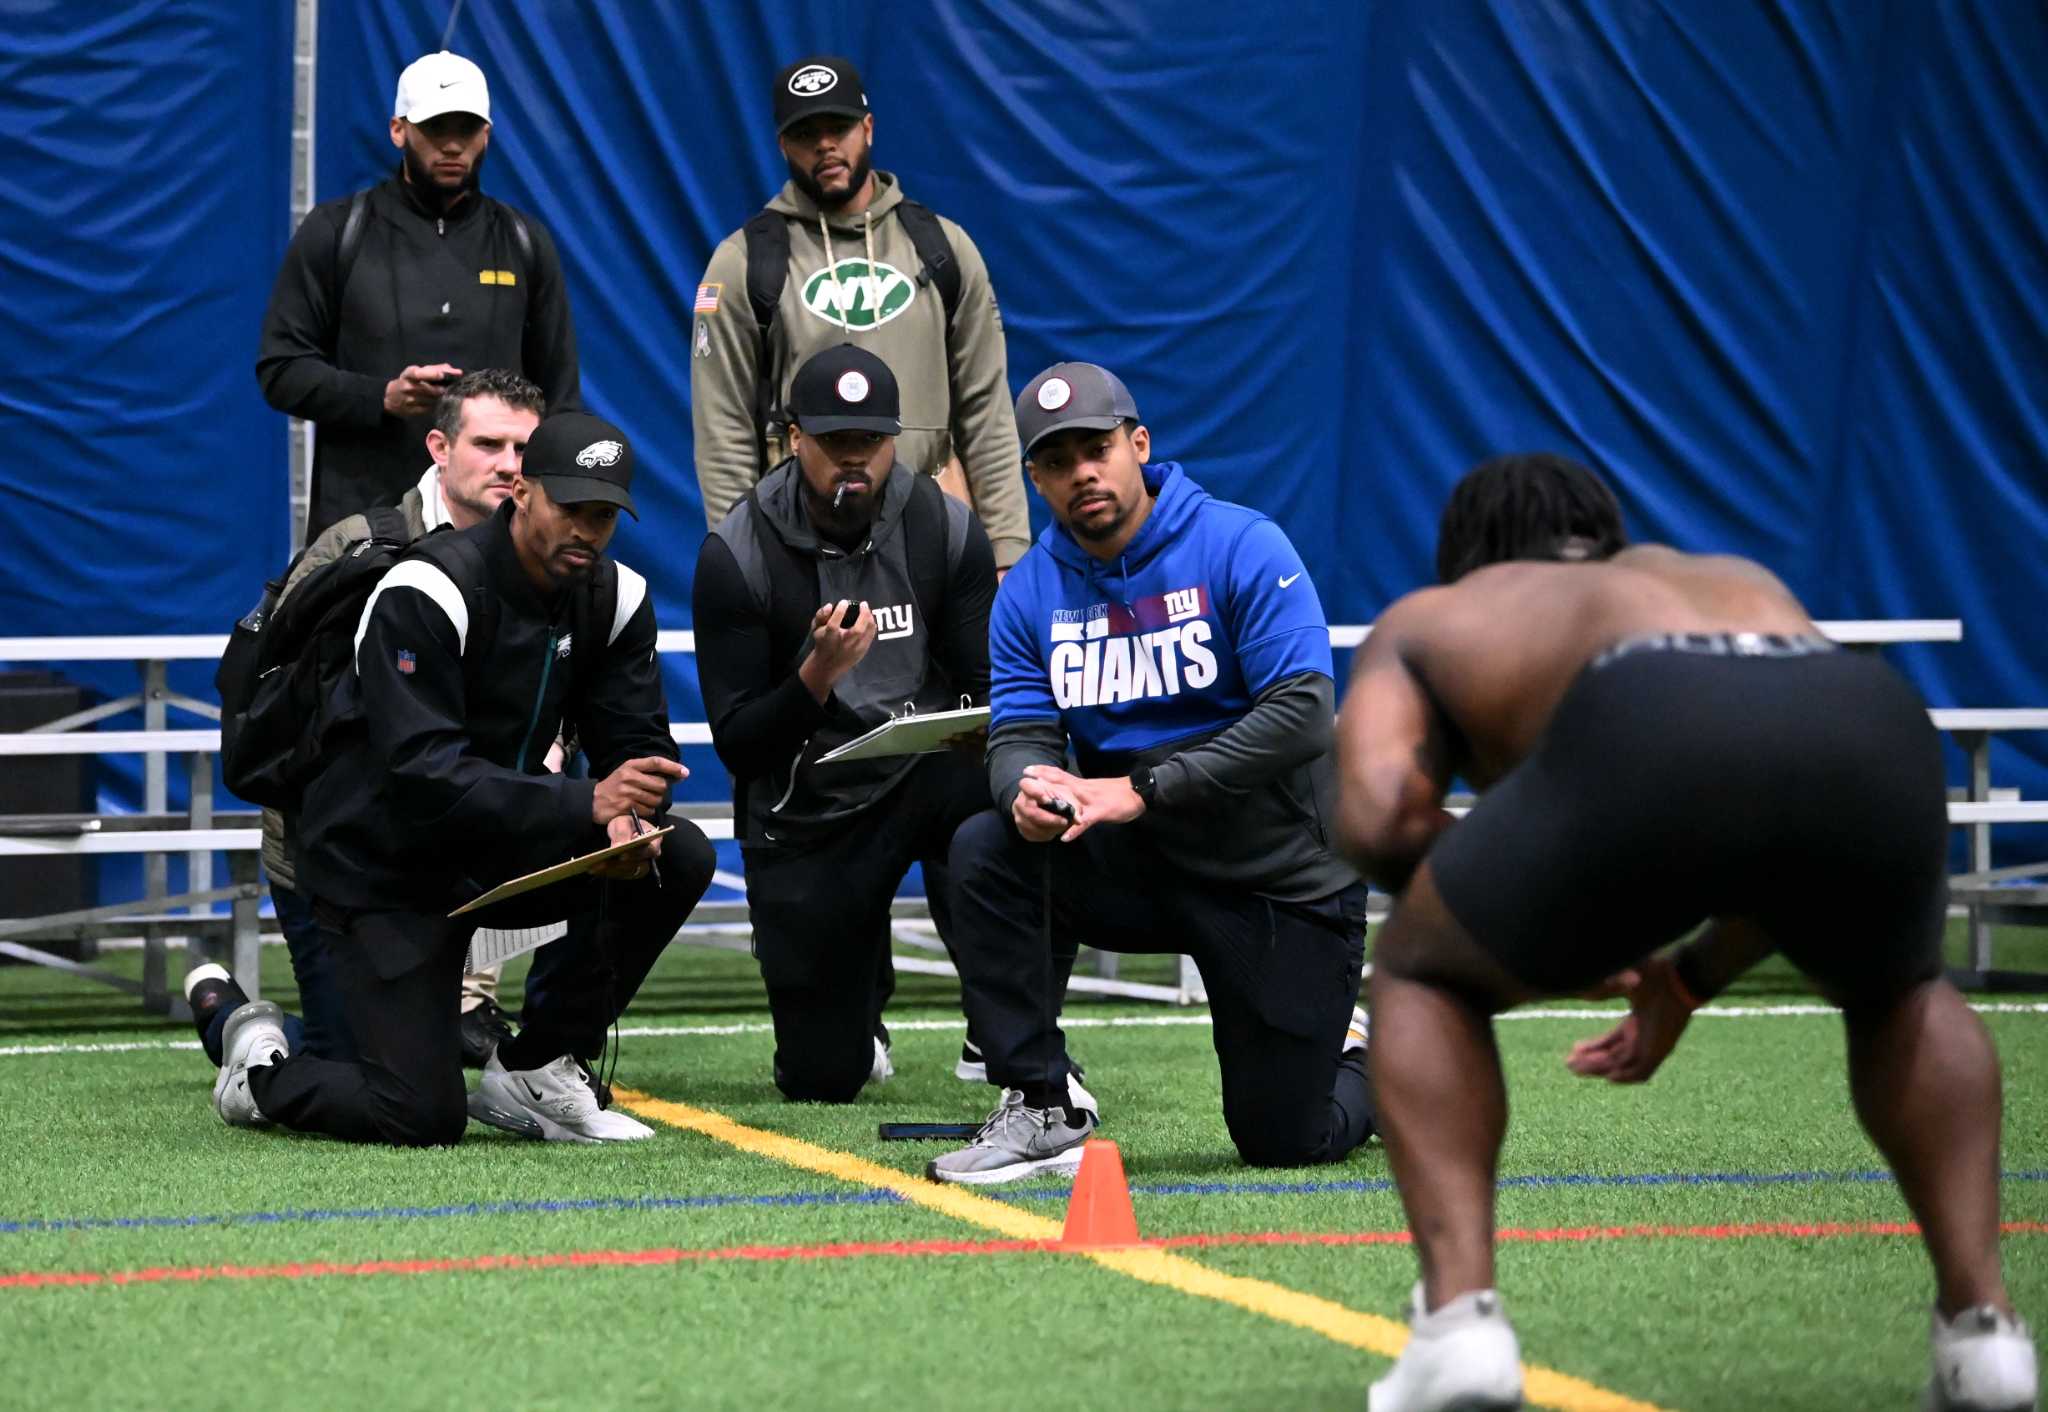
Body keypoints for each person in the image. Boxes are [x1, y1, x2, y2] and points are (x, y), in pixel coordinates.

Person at [1335, 453, 2037, 1412]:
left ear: (1470, 552)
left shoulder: (1440, 613)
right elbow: (1766, 820)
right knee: (1900, 989)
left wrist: (1506, 917)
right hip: (1867, 712)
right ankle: (1983, 1336)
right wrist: (1689, 977)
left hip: (1648, 714)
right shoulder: (1728, 578)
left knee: (1417, 972)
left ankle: (1457, 1329)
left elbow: (1375, 821)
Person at [201, 411, 716, 1146]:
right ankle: (258, 1073)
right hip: (380, 865)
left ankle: (534, 1067)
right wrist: (585, 801)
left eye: (604, 516)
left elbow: (635, 744)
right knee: (417, 1114)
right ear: (523, 492)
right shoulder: (428, 586)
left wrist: (632, 812)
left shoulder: (617, 597)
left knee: (677, 854)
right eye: (571, 509)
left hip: (501, 847)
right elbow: (421, 774)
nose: (587, 531)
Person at [927, 362, 1376, 1185]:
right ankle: (1041, 1101)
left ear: (1138, 445)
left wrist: (1142, 788)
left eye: (1097, 450)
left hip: (1274, 876)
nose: (1082, 475)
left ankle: (1365, 1058)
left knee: (1284, 1138)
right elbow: (1017, 734)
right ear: (1035, 478)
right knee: (987, 844)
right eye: (1057, 463)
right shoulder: (1029, 592)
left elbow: (1303, 715)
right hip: (1141, 866)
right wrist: (1027, 790)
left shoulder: (1241, 544)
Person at [186, 369, 546, 1071]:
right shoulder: (357, 549)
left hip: (462, 842)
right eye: (490, 444)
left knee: (426, 1057)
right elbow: (260, 698)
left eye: (525, 448)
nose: (509, 465)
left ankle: (541, 1054)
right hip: (338, 856)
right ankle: (235, 1023)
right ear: (439, 447)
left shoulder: (545, 552)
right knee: (361, 1071)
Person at [693, 344, 998, 1101]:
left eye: (870, 442)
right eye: (834, 444)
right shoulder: (737, 553)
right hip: (809, 814)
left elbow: (983, 686)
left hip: (921, 780)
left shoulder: (946, 530)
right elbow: (739, 747)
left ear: (896, 442)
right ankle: (856, 1000)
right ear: (794, 439)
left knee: (1013, 792)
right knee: (824, 1078)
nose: (853, 461)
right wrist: (816, 677)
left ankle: (1009, 1031)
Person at [691, 54, 1029, 586]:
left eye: (839, 127)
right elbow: (724, 427)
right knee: (817, 672)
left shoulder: (941, 250)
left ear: (868, 128)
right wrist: (743, 556)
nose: (825, 145)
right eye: (805, 133)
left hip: (932, 526)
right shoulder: (744, 263)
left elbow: (986, 408)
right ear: (782, 145)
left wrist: (1007, 546)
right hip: (800, 537)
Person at [257, 49, 580, 539]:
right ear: (398, 130)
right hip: (364, 523)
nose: (452, 146)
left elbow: (560, 399)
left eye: (466, 129)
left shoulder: (524, 241)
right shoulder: (338, 231)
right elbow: (281, 370)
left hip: (494, 531)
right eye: (435, 129)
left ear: (486, 135)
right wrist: (381, 396)